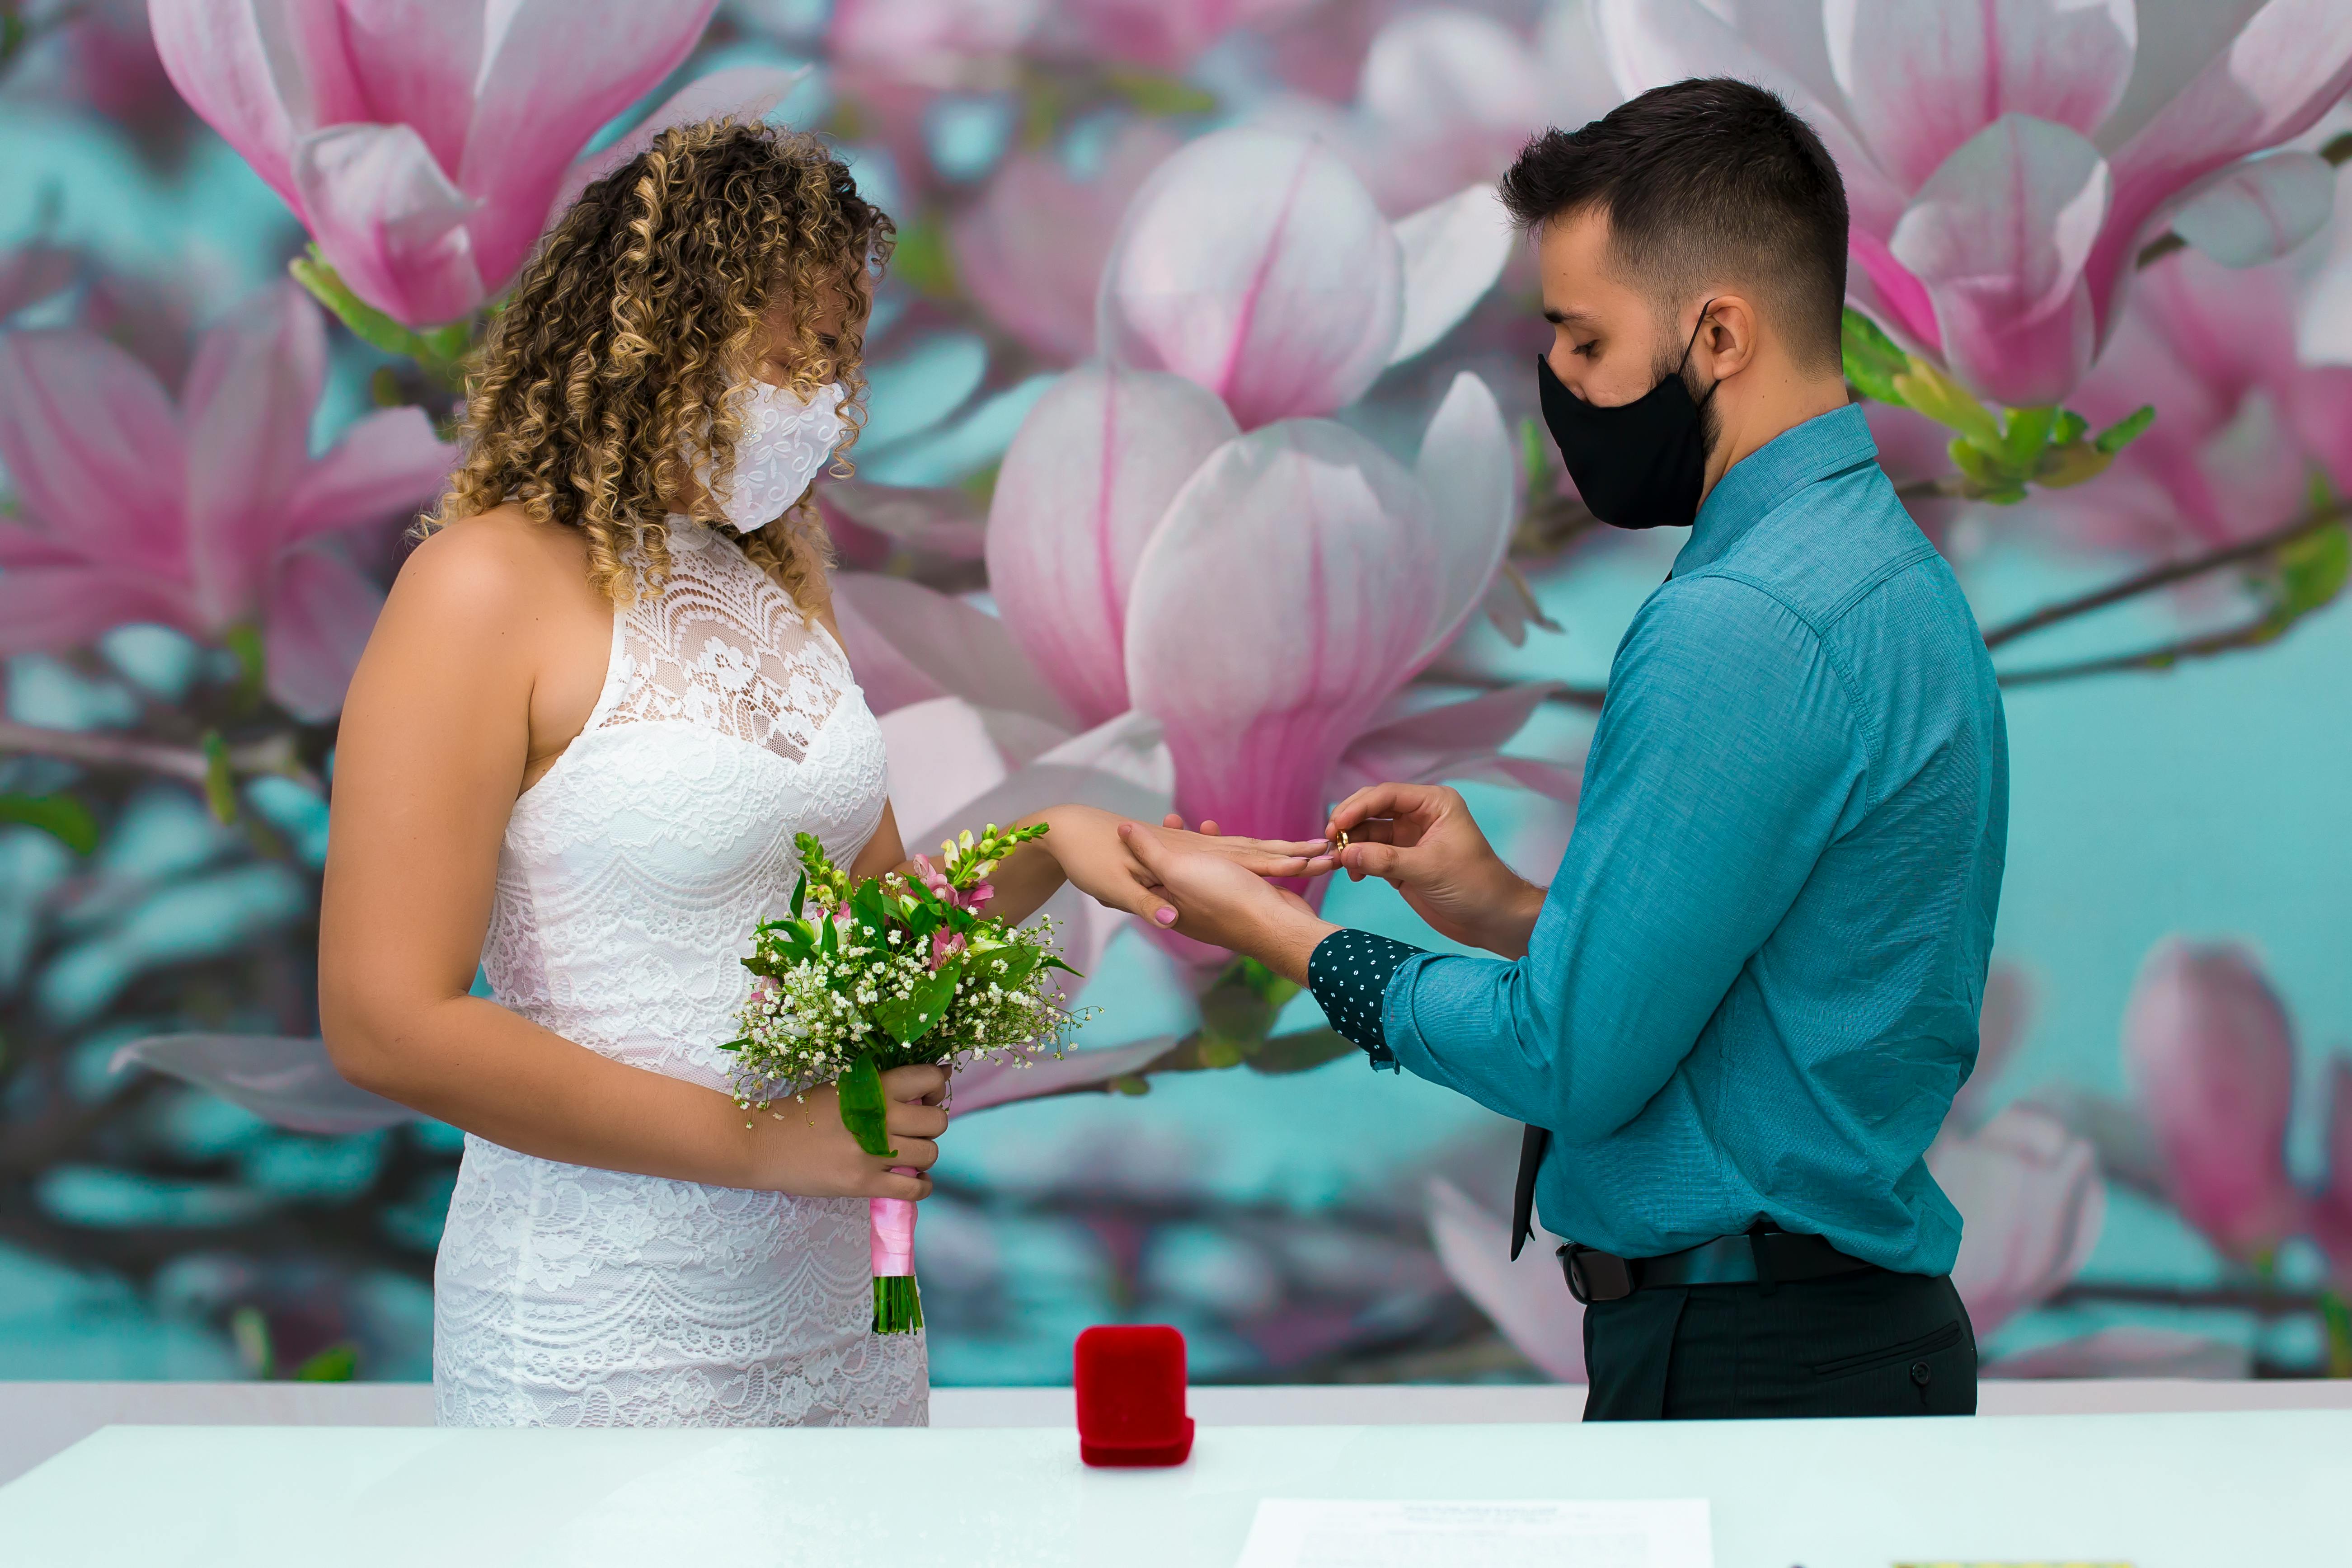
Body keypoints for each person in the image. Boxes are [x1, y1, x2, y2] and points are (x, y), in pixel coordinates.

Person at [1108, 78, 2008, 1420]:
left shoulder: (1739, 624)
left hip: (1750, 1368)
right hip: (1841, 1345)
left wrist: (1284, 938)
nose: (1561, 389)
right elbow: (1767, 995)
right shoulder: (1889, 579)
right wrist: (1516, 912)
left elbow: (1571, 1059)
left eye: (1584, 343)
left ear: (1716, 333)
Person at [320, 121, 1187, 1428]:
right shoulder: (478, 586)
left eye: (841, 362)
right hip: (603, 1337)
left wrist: (1056, 844)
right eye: (791, 357)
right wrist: (758, 1146)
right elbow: (388, 1021)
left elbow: (869, 944)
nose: (824, 405)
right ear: (655, 335)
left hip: (839, 1320)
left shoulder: (772, 581)